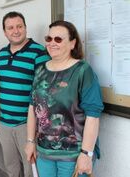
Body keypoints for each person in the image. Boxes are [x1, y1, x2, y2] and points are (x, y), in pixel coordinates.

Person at [25, 20, 104, 177]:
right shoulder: (41, 70)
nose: (52, 43)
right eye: (49, 39)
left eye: (58, 39)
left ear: (72, 43)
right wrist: (30, 141)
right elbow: (33, 108)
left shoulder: (82, 71)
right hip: (44, 153)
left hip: (73, 155)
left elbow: (93, 116)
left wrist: (86, 154)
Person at [0, 11, 50, 177]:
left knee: (30, 168)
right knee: (11, 167)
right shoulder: (1, 54)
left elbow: (44, 92)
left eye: (19, 26)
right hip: (4, 123)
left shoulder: (39, 53)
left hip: (27, 124)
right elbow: (0, 85)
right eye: (10, 28)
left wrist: (40, 125)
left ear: (25, 27)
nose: (15, 31)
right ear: (4, 32)